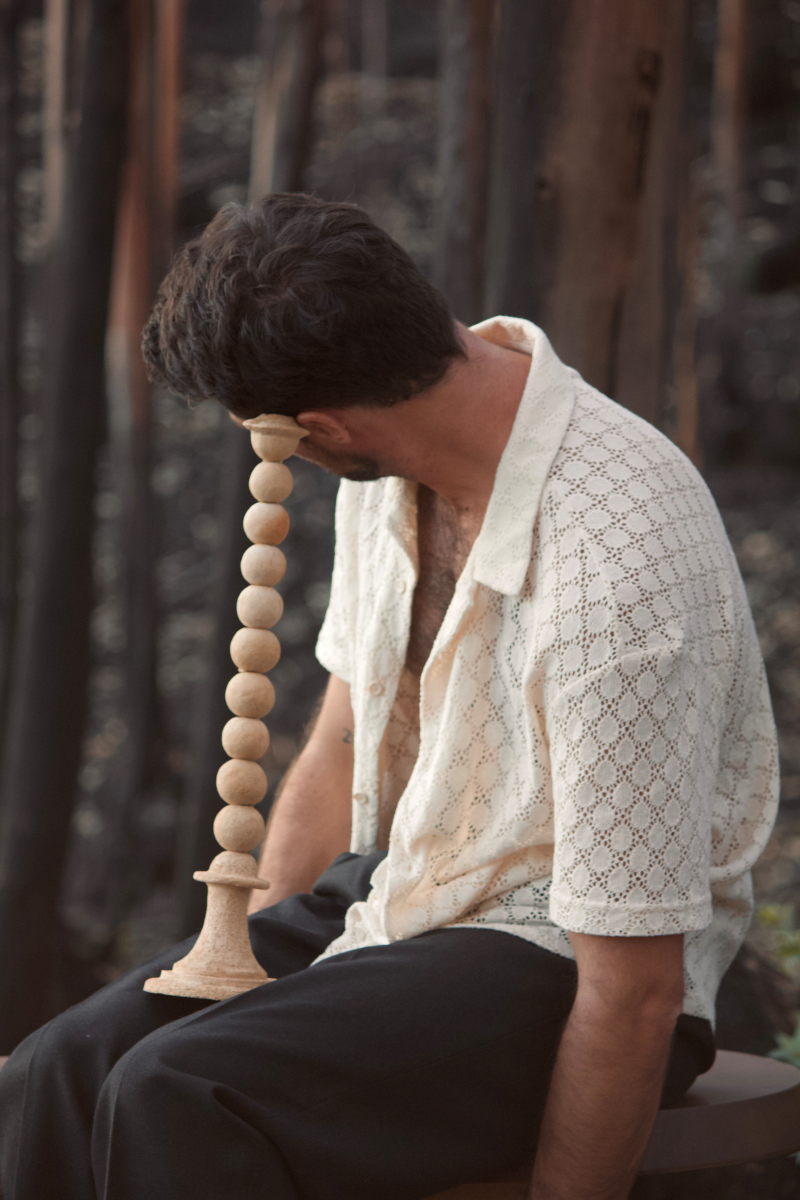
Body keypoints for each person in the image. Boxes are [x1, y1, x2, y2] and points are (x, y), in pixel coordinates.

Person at [0, 194, 778, 1200]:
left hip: (559, 953)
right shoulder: (388, 471)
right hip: (393, 894)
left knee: (180, 1092)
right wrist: (241, 973)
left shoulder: (615, 562)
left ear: (321, 426)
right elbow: (343, 733)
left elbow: (633, 989)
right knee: (59, 1070)